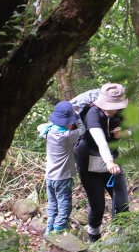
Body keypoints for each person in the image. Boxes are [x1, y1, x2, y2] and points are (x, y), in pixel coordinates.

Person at [71, 83, 130, 242]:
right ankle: (94, 238)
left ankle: (123, 241)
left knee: (122, 202)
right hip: (89, 160)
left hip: (113, 162)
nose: (113, 109)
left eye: (116, 106)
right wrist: (109, 162)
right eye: (111, 106)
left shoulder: (121, 113)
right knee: (97, 205)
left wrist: (124, 133)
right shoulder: (92, 114)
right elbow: (101, 141)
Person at [37, 100, 84, 236]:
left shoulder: (47, 131)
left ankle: (49, 227)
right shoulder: (67, 136)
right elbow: (82, 130)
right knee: (64, 203)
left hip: (50, 176)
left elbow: (40, 126)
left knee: (52, 202)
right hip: (63, 177)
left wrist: (52, 123)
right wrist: (77, 116)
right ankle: (59, 229)